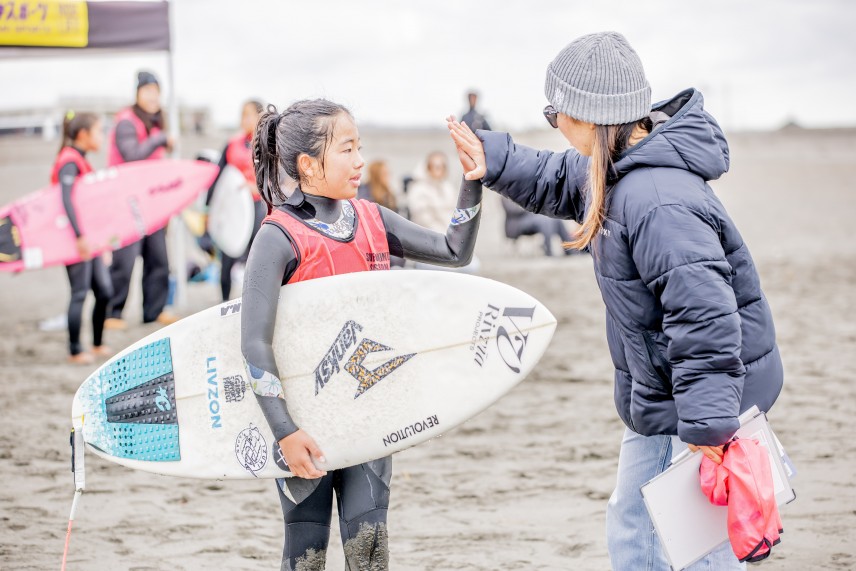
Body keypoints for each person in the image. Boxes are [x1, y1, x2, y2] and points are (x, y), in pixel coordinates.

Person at [448, 31, 782, 570]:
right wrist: (495, 157)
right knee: (634, 533)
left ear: (591, 116)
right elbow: (559, 178)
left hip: (703, 402)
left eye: (556, 111)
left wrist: (709, 427)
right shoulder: (614, 169)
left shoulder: (657, 200)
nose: (553, 121)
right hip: (659, 393)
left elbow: (705, 318)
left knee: (700, 550)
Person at [241, 99, 481, 570]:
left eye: (360, 148)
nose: (360, 161)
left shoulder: (371, 218)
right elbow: (253, 342)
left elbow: (454, 251)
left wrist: (472, 183)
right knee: (305, 555)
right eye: (347, 149)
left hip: (369, 416)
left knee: (370, 552)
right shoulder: (278, 236)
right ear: (308, 165)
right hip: (303, 425)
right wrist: (284, 431)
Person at [104, 71, 176, 329]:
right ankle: (112, 313)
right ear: (137, 94)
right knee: (124, 260)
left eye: (156, 91)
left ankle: (153, 311)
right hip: (127, 204)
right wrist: (159, 139)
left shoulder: (156, 122)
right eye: (148, 91)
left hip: (152, 204)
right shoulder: (127, 121)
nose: (153, 97)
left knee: (158, 259)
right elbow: (132, 155)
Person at [51, 111, 114, 364]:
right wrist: (79, 236)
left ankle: (97, 343)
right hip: (75, 239)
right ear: (83, 134)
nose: (102, 136)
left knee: (105, 291)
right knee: (79, 293)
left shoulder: (80, 159)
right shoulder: (69, 160)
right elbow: (65, 200)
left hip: (90, 240)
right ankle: (75, 349)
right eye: (99, 131)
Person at [204, 99, 266, 301]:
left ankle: (254, 299)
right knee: (228, 253)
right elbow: (216, 176)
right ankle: (224, 300)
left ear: (259, 117)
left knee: (255, 254)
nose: (243, 119)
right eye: (242, 114)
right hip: (232, 208)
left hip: (256, 205)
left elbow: (277, 180)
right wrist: (208, 209)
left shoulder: (268, 146)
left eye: (248, 114)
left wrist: (255, 187)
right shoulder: (232, 144)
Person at [357, 161, 405, 267]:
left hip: (389, 236)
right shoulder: (365, 193)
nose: (388, 176)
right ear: (377, 175)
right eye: (385, 173)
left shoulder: (389, 193)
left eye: (388, 173)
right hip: (375, 238)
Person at [501, 196, 578, 256]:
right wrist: (530, 206)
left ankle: (570, 250)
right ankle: (548, 249)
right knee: (544, 221)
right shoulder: (504, 191)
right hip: (517, 224)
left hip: (530, 219)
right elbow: (513, 210)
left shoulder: (519, 189)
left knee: (555, 219)